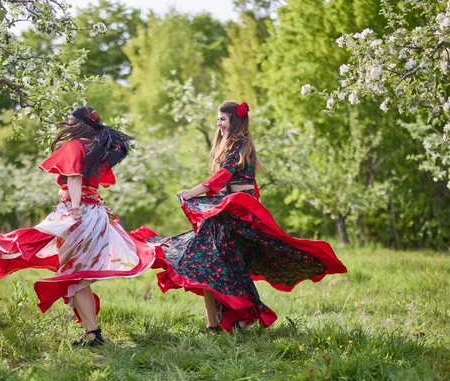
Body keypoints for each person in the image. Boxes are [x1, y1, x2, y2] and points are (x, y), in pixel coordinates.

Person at [0, 106, 162, 347]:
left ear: (78, 124)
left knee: (71, 272)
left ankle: (93, 334)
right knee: (76, 277)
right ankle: (92, 334)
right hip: (96, 213)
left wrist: (74, 207)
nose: (66, 122)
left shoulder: (75, 147)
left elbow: (74, 177)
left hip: (78, 214)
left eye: (70, 119)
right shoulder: (97, 149)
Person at [147, 101, 347, 332]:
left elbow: (226, 174)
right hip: (226, 211)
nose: (219, 124)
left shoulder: (242, 144)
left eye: (223, 119)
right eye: (218, 119)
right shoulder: (227, 143)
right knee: (205, 261)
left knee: (219, 264)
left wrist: (194, 191)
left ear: (235, 120)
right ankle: (214, 323)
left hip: (238, 214)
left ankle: (241, 317)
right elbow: (234, 182)